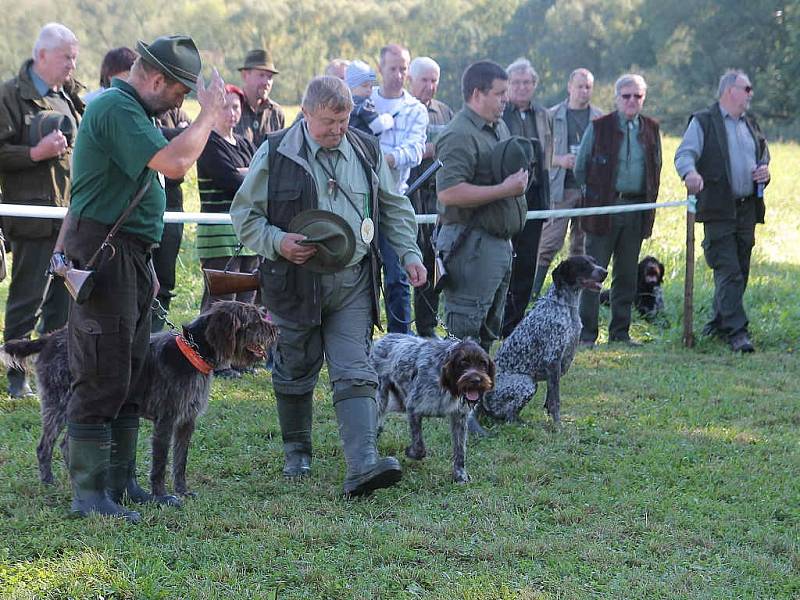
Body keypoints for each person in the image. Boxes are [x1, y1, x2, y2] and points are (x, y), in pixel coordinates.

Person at [230, 76, 426, 496]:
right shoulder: (276, 151)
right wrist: (278, 242)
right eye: (328, 122)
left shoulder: (365, 149)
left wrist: (410, 253)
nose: (338, 129)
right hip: (294, 281)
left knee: (356, 369)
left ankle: (363, 465)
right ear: (305, 114)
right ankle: (297, 451)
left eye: (344, 119)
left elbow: (393, 206)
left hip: (352, 281)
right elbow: (244, 216)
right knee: (295, 367)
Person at [59, 35, 226, 522]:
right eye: (178, 94)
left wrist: (147, 265)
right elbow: (176, 165)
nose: (180, 105)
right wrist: (209, 116)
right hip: (105, 257)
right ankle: (89, 495)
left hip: (127, 256)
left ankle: (121, 483)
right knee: (102, 370)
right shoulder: (116, 107)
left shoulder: (137, 114)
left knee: (129, 370)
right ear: (155, 80)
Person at [0, 23, 82, 397]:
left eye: (75, 58)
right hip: (32, 218)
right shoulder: (9, 96)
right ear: (42, 55)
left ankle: (54, 374)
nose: (72, 65)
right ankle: (16, 378)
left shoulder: (68, 97)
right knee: (26, 302)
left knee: (61, 308)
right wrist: (35, 153)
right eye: (67, 57)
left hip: (67, 220)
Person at [435, 60, 528, 353]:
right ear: (477, 94)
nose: (506, 99)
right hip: (470, 246)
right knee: (463, 336)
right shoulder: (459, 135)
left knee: (488, 332)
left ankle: (480, 399)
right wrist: (504, 190)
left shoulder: (497, 127)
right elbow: (449, 192)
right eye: (500, 93)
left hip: (497, 244)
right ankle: (456, 399)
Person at [675, 69, 769, 353]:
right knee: (728, 270)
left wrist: (765, 171)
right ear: (730, 91)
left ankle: (718, 321)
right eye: (747, 88)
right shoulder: (704, 121)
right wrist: (690, 174)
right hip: (718, 208)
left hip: (746, 209)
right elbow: (684, 154)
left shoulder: (750, 123)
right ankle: (737, 332)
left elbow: (763, 154)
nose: (751, 94)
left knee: (740, 268)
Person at [575, 73, 662, 347]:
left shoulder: (650, 128)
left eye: (638, 96)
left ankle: (620, 333)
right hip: (604, 210)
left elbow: (656, 167)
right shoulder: (599, 127)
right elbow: (580, 168)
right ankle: (586, 334)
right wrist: (595, 199)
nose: (632, 101)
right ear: (616, 98)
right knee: (592, 274)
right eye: (626, 96)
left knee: (626, 274)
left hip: (636, 209)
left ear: (643, 98)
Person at [196, 83, 258, 377]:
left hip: (246, 233)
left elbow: (259, 178)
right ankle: (211, 357)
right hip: (218, 234)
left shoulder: (244, 143)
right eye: (225, 106)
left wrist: (248, 174)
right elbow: (230, 180)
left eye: (236, 107)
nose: (232, 113)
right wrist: (249, 174)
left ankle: (238, 359)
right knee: (222, 302)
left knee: (246, 301)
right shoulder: (207, 143)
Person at [370, 44, 428, 333]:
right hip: (362, 202)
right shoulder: (365, 102)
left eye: (403, 68)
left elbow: (416, 149)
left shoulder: (415, 109)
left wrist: (383, 159)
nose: (398, 74)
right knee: (363, 279)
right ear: (381, 69)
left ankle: (400, 343)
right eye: (392, 68)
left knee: (397, 277)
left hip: (394, 199)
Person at [533, 68, 603, 296]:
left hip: (590, 190)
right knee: (548, 244)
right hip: (560, 189)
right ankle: (532, 294)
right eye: (580, 86)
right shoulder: (551, 116)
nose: (584, 91)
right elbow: (538, 153)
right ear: (569, 87)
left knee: (581, 246)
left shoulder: (600, 118)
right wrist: (560, 160)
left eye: (588, 87)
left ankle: (576, 295)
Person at [500, 58, 553, 337]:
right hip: (505, 199)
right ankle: (496, 321)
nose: (521, 87)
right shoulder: (499, 112)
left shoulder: (543, 115)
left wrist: (547, 202)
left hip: (535, 202)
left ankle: (515, 324)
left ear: (534, 85)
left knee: (526, 264)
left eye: (527, 82)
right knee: (502, 262)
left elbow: (548, 158)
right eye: (516, 82)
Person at [407, 56, 454, 338]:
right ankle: (400, 325)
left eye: (434, 80)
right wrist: (425, 149)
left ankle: (426, 326)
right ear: (411, 80)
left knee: (432, 261)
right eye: (424, 80)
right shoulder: (404, 111)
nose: (430, 85)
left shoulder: (445, 113)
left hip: (436, 199)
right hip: (407, 197)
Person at [151, 106, 191, 332]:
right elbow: (155, 141)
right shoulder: (137, 110)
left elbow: (182, 160)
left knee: (165, 278)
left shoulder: (180, 115)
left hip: (173, 205)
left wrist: (178, 135)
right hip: (142, 208)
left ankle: (154, 333)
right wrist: (181, 134)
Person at [235, 49, 284, 147]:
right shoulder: (230, 109)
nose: (266, 82)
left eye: (270, 77)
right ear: (245, 75)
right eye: (261, 75)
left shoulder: (276, 113)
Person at [345, 60, 393, 136]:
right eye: (364, 86)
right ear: (351, 87)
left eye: (371, 87)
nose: (369, 90)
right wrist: (389, 118)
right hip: (363, 143)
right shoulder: (364, 103)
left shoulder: (344, 103)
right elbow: (377, 125)